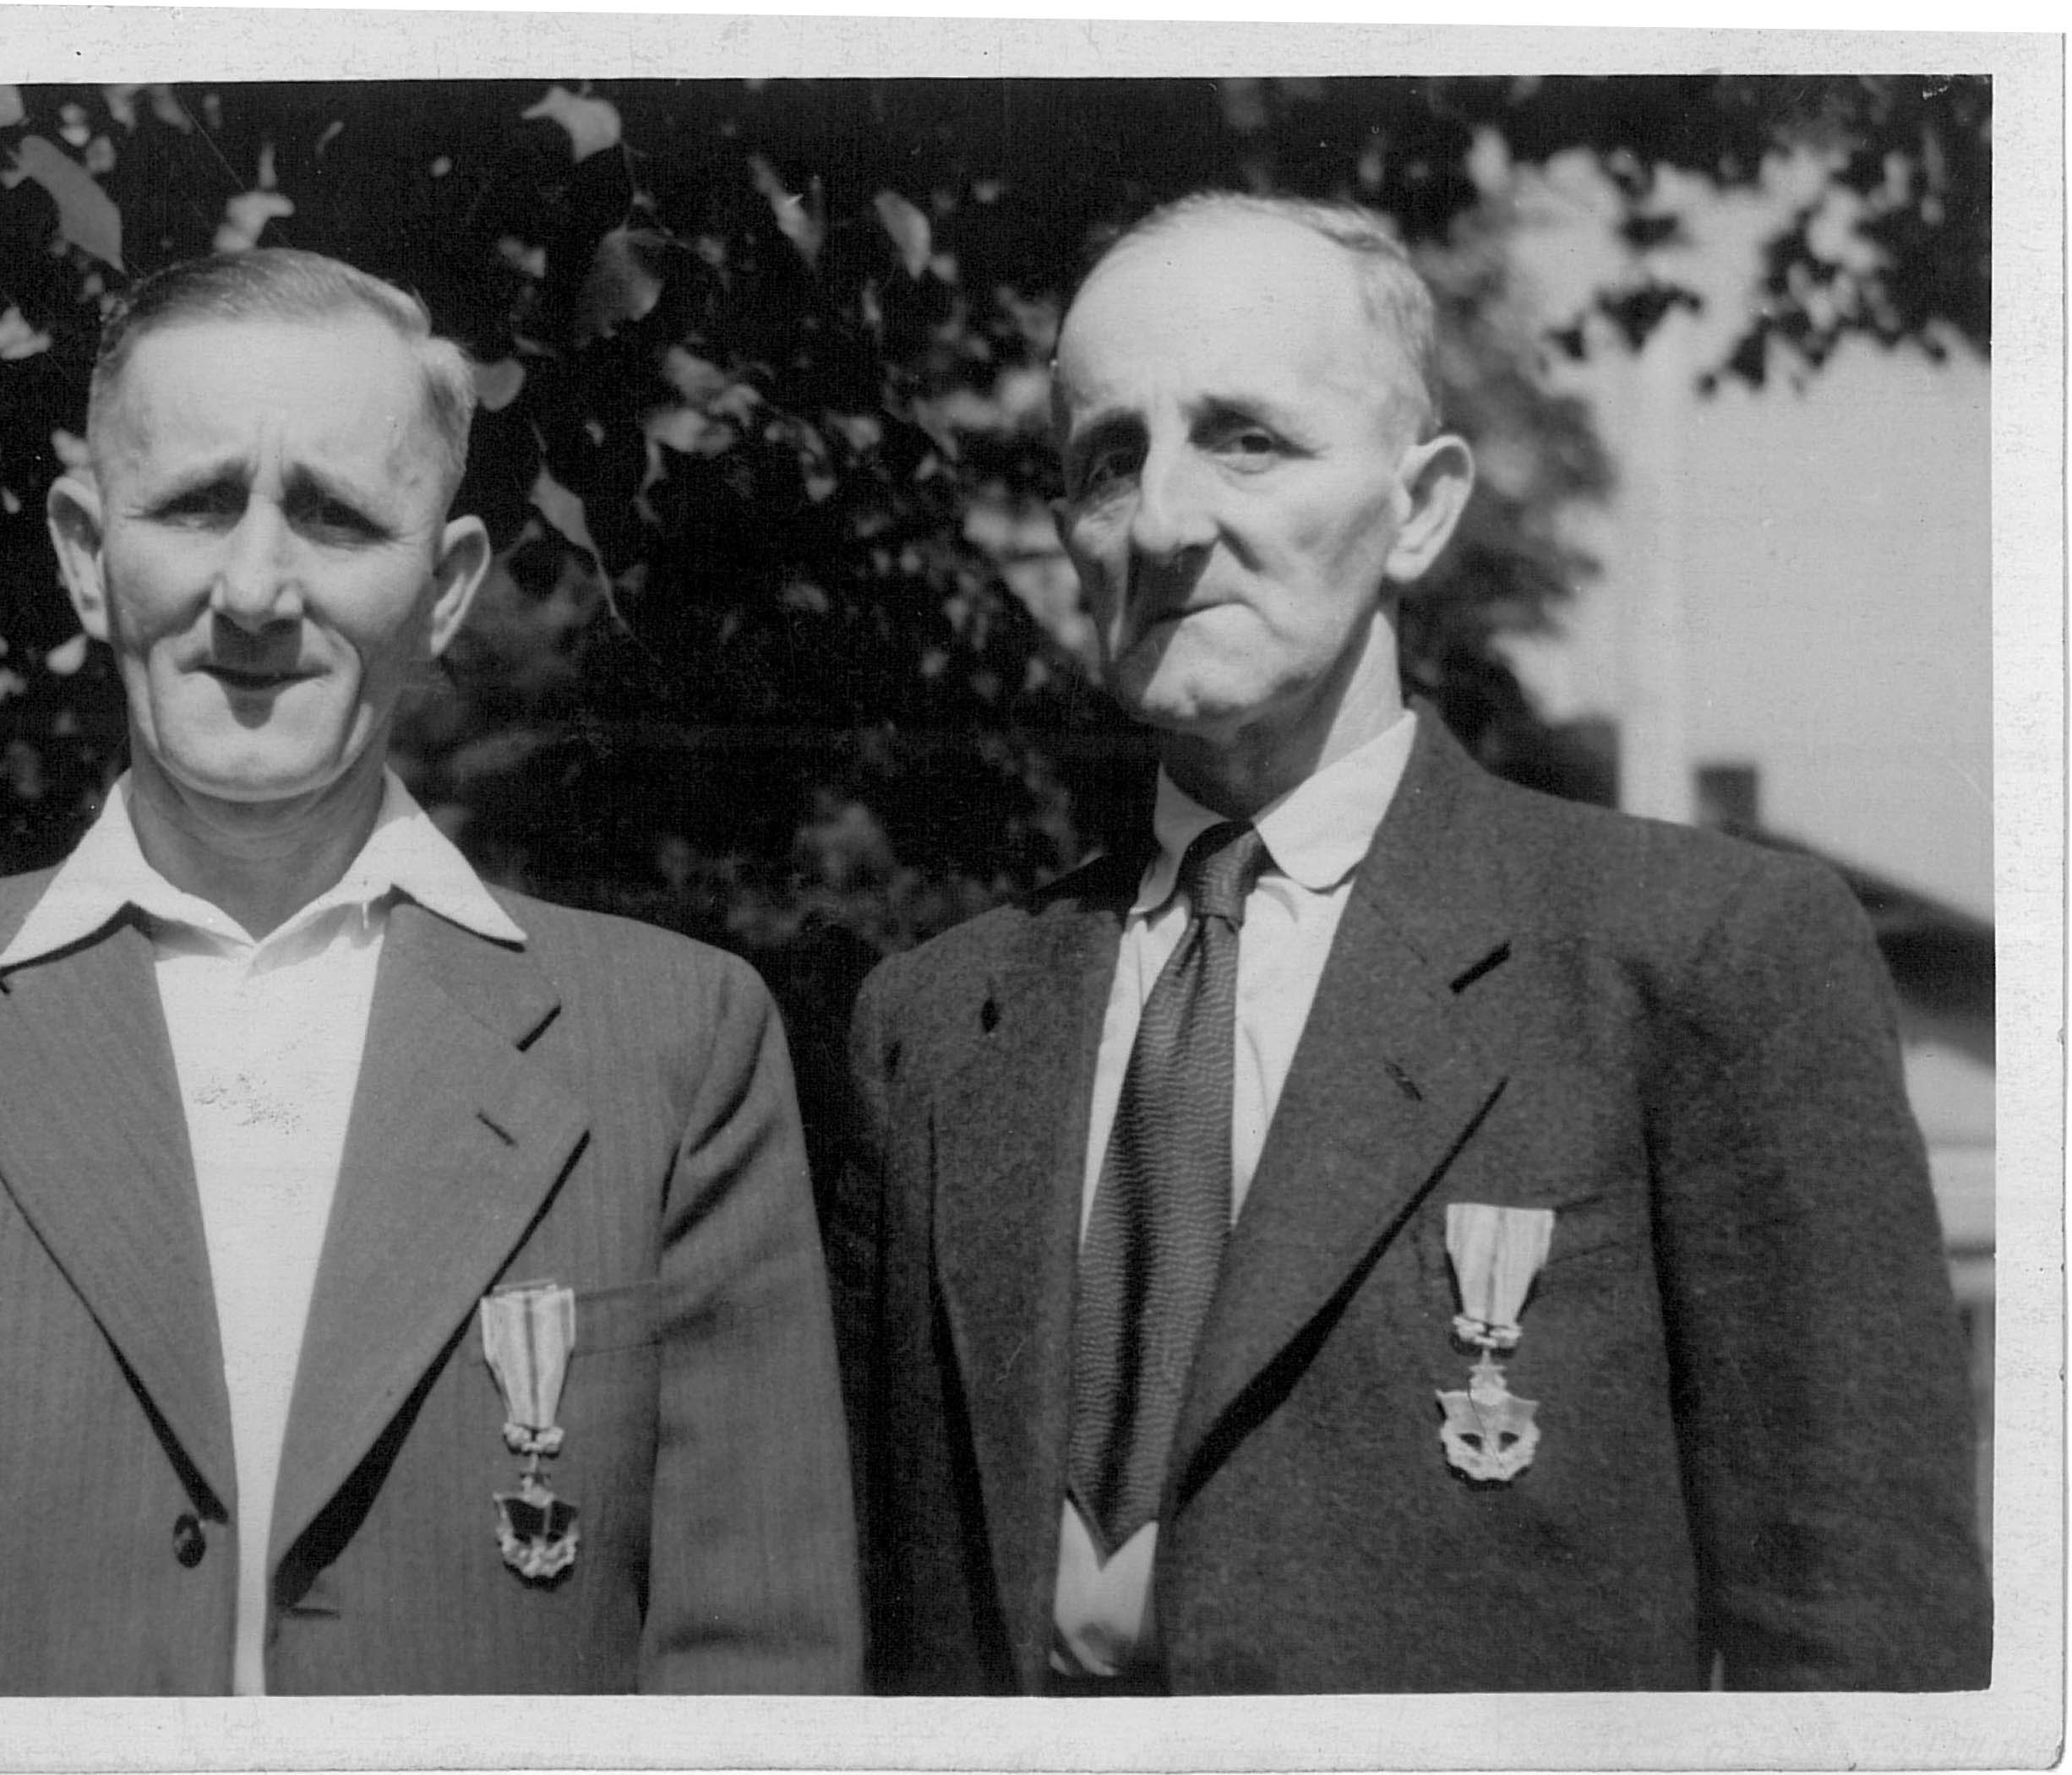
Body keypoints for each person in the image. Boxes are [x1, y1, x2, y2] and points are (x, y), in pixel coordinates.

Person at [0, 248, 860, 1696]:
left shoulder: (675, 1043)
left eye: (337, 516)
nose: (255, 590)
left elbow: (759, 1676)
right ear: (86, 553)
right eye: (198, 504)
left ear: (446, 587)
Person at [828, 193, 1990, 1695]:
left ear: (1423, 507)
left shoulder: (1693, 958)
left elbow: (1863, 1649)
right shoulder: (935, 1022)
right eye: (1109, 459)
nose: (1166, 521)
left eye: (1250, 440)